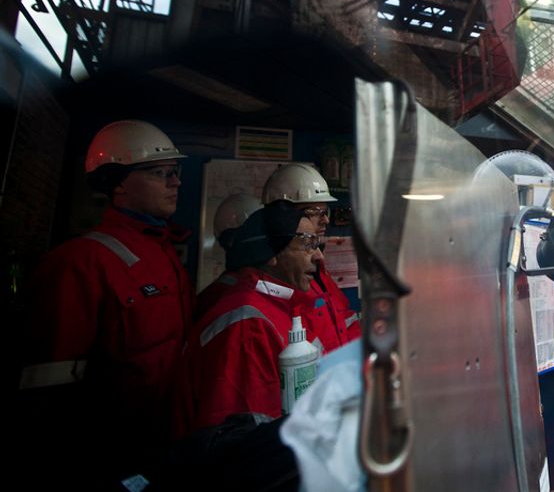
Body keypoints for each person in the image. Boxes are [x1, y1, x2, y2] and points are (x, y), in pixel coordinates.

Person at [20, 119, 193, 485]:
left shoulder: (165, 256)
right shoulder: (78, 264)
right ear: (117, 184)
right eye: (159, 172)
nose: (175, 181)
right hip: (109, 462)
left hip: (166, 451)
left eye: (174, 171)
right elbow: (45, 397)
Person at [175, 200, 336, 434]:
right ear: (270, 253)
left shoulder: (286, 307)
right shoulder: (247, 324)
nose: (319, 257)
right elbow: (245, 444)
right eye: (307, 244)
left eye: (317, 245)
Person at [262, 162, 360, 351]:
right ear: (286, 215)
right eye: (317, 212)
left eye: (326, 212)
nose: (326, 220)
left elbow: (345, 319)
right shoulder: (282, 277)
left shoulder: (318, 272)